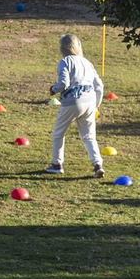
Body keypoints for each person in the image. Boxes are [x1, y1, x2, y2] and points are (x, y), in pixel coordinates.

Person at [46, 33, 105, 178]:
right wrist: (96, 104)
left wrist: (53, 89)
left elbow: (64, 83)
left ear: (63, 48)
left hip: (72, 101)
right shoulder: (87, 62)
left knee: (59, 133)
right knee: (89, 136)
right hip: (90, 101)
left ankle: (57, 164)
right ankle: (98, 165)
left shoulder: (65, 61)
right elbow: (99, 85)